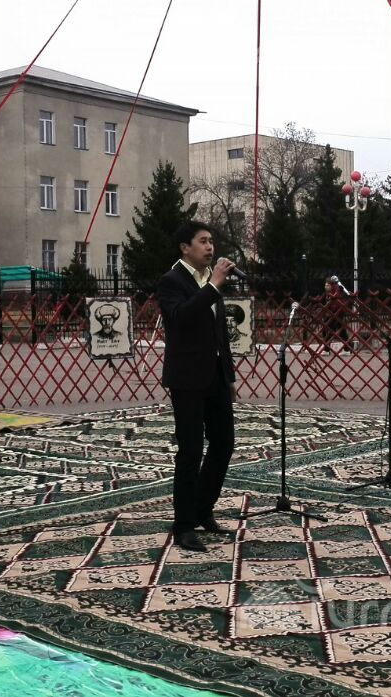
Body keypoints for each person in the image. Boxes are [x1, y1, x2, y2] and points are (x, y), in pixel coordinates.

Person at [156, 221, 237, 553]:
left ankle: (203, 509)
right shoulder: (171, 281)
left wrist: (229, 377)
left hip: (215, 376)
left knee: (224, 444)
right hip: (187, 379)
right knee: (190, 451)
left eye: (211, 241)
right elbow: (181, 318)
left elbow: (220, 334)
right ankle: (184, 525)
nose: (210, 247)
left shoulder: (209, 281)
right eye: (203, 241)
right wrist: (214, 285)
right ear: (185, 247)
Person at [323, 276, 352, 353]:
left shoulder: (336, 292)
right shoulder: (329, 292)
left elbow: (336, 304)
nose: (325, 287)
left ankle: (327, 349)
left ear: (331, 285)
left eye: (327, 285)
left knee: (329, 330)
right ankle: (348, 348)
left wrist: (330, 312)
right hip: (334, 313)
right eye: (325, 285)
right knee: (340, 331)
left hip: (336, 313)